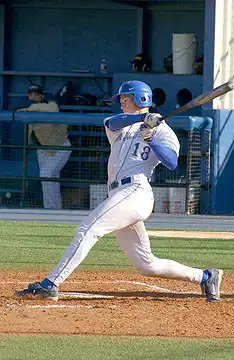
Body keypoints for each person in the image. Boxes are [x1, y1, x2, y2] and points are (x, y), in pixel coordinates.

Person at [15, 80, 223, 302]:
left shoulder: (164, 132)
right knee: (146, 264)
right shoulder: (119, 125)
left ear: (140, 99)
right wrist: (142, 118)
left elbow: (171, 162)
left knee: (88, 230)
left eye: (125, 99)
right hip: (117, 194)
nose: (121, 104)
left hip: (136, 191)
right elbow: (113, 122)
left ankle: (50, 284)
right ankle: (205, 276)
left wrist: (152, 139)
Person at [17, 84, 72, 209]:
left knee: (46, 174)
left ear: (41, 95)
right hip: (43, 149)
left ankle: (51, 209)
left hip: (61, 146)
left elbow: (54, 109)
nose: (33, 96)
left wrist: (31, 108)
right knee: (50, 179)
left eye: (36, 94)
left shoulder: (49, 102)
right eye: (31, 94)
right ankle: (55, 209)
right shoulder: (25, 105)